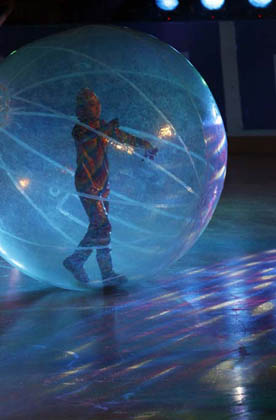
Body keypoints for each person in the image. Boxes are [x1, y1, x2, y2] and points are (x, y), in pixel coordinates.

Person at [63, 88, 158, 289]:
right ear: (79, 110)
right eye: (89, 105)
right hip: (87, 184)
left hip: (102, 184)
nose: (94, 108)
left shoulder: (103, 127)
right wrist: (107, 130)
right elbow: (90, 137)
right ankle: (105, 273)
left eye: (96, 104)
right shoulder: (80, 128)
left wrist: (145, 144)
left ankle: (77, 261)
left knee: (98, 227)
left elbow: (123, 137)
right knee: (103, 226)